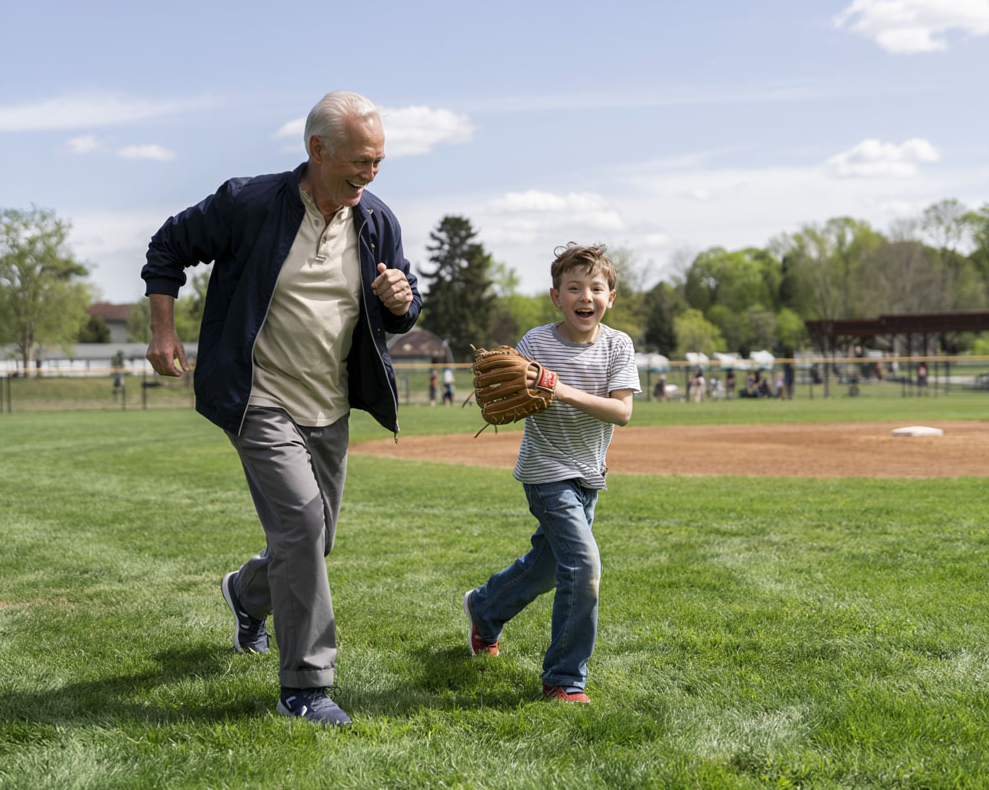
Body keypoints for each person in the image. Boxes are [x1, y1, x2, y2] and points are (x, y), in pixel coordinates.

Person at [141, 91, 422, 726]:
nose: (371, 173)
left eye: (378, 161)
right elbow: (168, 246)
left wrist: (403, 301)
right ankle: (305, 688)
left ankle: (246, 594)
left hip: (330, 404)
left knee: (314, 541)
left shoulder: (377, 221)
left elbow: (403, 308)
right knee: (300, 525)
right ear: (317, 149)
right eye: (360, 160)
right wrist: (162, 330)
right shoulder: (248, 203)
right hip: (259, 396)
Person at [462, 242, 640, 704]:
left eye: (596, 288)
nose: (586, 296)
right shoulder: (536, 343)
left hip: (588, 475)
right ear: (556, 297)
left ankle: (484, 609)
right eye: (574, 288)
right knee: (584, 566)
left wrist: (558, 389)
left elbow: (622, 412)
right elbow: (512, 394)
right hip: (545, 473)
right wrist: (521, 390)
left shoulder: (618, 345)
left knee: (546, 570)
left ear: (610, 297)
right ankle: (563, 679)